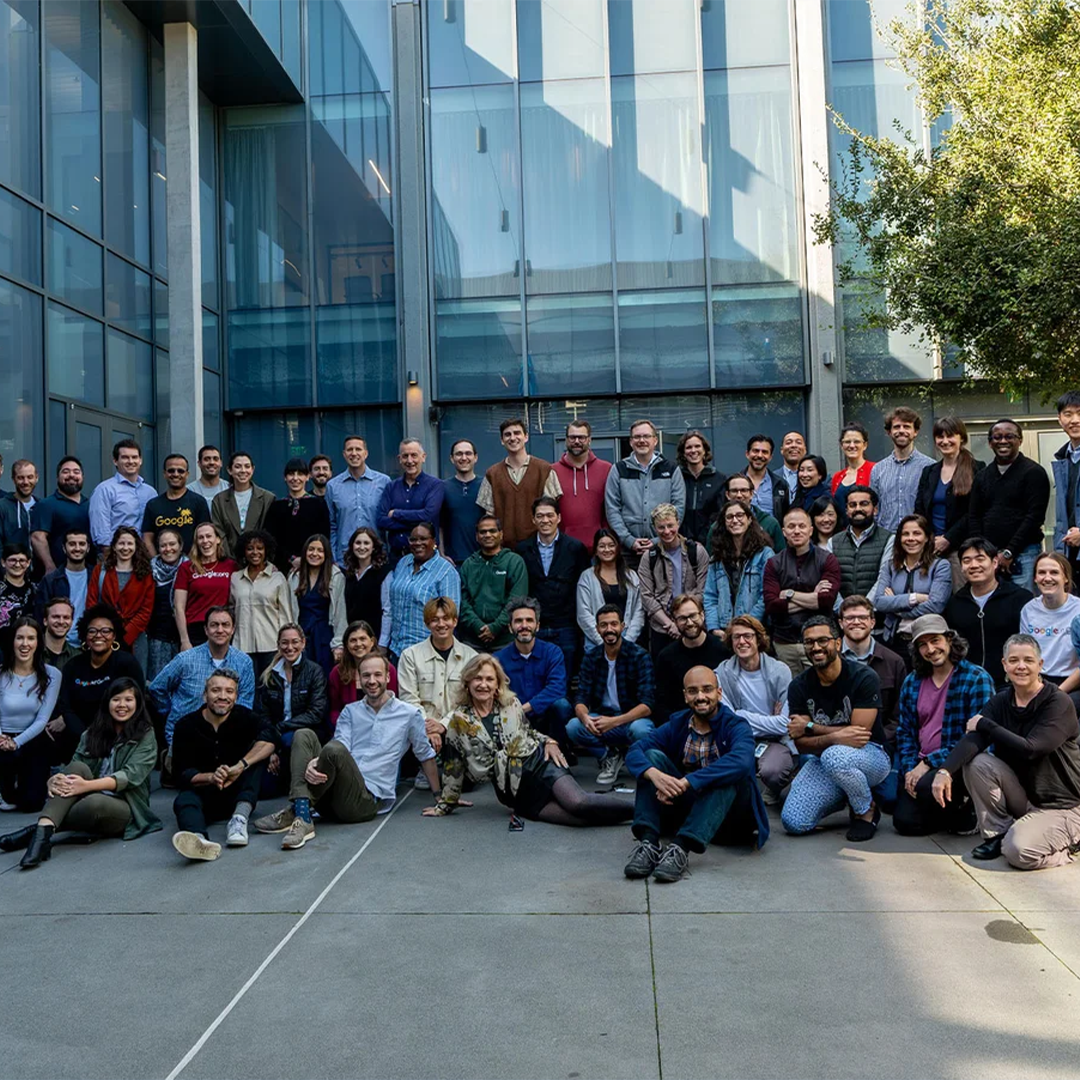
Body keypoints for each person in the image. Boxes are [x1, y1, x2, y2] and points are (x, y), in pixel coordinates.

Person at [424, 653, 633, 826]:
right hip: (515, 792)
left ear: (498, 684)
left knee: (579, 803)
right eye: (477, 678)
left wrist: (549, 741)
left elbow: (529, 732)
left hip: (539, 765)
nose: (483, 684)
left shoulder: (511, 704)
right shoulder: (459, 720)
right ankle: (637, 817)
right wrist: (446, 804)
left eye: (489, 679)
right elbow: (453, 764)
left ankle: (641, 812)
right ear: (467, 682)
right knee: (578, 821)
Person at [255, 653, 438, 848]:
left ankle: (298, 810)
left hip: (364, 801)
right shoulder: (350, 711)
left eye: (377, 675)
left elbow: (425, 754)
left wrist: (440, 797)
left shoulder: (409, 714)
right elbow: (340, 744)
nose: (372, 681)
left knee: (334, 749)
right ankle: (302, 814)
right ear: (359, 678)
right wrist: (314, 762)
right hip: (333, 795)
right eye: (366, 676)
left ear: (387, 677)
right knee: (303, 735)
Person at [931, 633, 1080, 869]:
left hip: (1062, 805)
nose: (1021, 666)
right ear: (1004, 664)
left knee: (1019, 853)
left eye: (1028, 660)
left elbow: (1032, 748)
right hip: (1024, 796)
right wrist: (944, 772)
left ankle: (1067, 846)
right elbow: (974, 738)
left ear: (1040, 665)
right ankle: (998, 834)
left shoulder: (1058, 703)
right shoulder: (1002, 701)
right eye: (1014, 660)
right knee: (977, 762)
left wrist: (986, 724)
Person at [623, 666, 769, 883]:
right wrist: (654, 775)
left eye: (707, 690)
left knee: (729, 775)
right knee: (651, 757)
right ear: (685, 696)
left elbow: (741, 761)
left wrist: (688, 781)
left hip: (730, 821)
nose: (700, 697)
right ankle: (649, 843)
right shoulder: (678, 723)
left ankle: (681, 848)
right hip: (690, 812)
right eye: (693, 691)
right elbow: (635, 750)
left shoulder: (736, 725)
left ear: (719, 693)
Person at [2, 678, 161, 870]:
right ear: (107, 702)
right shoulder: (92, 733)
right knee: (77, 768)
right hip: (84, 796)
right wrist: (53, 780)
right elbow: (74, 767)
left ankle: (37, 832)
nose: (122, 705)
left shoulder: (145, 735)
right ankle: (43, 833)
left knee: (95, 803)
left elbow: (130, 776)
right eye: (116, 699)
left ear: (137, 704)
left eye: (128, 700)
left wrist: (86, 786)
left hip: (127, 806)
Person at [780, 616, 888, 842]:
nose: (816, 647)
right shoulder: (799, 686)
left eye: (822, 640)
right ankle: (844, 791)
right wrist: (837, 735)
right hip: (823, 760)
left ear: (838, 644)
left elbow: (859, 736)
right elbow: (800, 743)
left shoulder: (863, 677)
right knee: (794, 822)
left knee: (834, 755)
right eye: (809, 642)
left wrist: (810, 726)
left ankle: (865, 810)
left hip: (872, 755)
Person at [893, 614, 995, 836]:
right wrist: (911, 767)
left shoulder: (976, 677)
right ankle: (953, 814)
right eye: (923, 645)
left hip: (958, 765)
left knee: (923, 791)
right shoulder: (913, 680)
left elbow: (977, 737)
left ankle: (966, 806)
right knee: (903, 822)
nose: (930, 649)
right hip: (920, 762)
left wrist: (930, 763)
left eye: (935, 640)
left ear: (949, 640)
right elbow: (905, 732)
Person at [170, 670, 275, 861]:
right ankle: (199, 841)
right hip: (205, 793)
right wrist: (211, 777)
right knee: (183, 800)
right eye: (216, 690)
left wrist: (240, 766)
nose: (222, 697)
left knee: (256, 758)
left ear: (236, 696)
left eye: (229, 691)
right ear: (205, 695)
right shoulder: (186, 725)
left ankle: (238, 820)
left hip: (238, 794)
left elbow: (270, 738)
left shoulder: (246, 717)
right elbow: (180, 773)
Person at [566, 605, 655, 786]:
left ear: (623, 626)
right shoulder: (591, 657)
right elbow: (581, 696)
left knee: (642, 730)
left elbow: (648, 704)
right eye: (604, 625)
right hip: (602, 718)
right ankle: (609, 756)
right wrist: (584, 717)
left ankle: (633, 759)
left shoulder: (639, 656)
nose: (609, 629)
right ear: (598, 629)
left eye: (614, 624)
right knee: (573, 726)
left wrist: (614, 722)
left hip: (630, 720)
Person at [149, 605, 255, 747]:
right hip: (183, 736)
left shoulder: (244, 662)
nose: (220, 630)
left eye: (225, 625)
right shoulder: (186, 659)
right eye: (214, 625)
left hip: (226, 737)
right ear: (206, 629)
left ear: (233, 629)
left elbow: (245, 704)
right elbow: (157, 688)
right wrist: (171, 711)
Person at [398, 596, 477, 786]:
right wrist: (427, 727)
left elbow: (470, 702)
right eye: (435, 619)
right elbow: (409, 699)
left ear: (455, 621)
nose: (441, 624)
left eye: (446, 618)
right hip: (422, 728)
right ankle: (426, 766)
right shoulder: (410, 656)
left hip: (457, 726)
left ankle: (459, 766)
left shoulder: (471, 657)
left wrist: (443, 725)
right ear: (427, 624)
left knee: (465, 784)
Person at [715, 616, 796, 801]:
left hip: (774, 741)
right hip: (738, 739)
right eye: (736, 637)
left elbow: (785, 724)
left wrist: (740, 715)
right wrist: (769, 719)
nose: (742, 642)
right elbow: (728, 720)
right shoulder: (722, 672)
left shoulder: (780, 670)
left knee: (773, 771)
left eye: (748, 636)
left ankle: (774, 788)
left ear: (758, 639)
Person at [967, 419, 1051, 595]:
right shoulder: (983, 476)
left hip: (1024, 554)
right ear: (990, 443)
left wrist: (1009, 552)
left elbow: (1034, 517)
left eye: (1009, 436)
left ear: (1019, 440)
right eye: (997, 437)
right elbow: (974, 516)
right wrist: (983, 552)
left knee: (1024, 602)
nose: (1003, 441)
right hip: (990, 556)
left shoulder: (1033, 472)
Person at [55, 605, 144, 763]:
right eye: (92, 631)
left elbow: (137, 703)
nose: (98, 635)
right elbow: (66, 707)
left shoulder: (126, 663)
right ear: (85, 635)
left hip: (117, 738)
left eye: (105, 631)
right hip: (79, 739)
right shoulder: (72, 666)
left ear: (114, 635)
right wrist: (86, 736)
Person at [762, 506, 842, 675]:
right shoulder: (774, 563)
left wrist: (788, 595)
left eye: (802, 526)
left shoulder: (827, 559)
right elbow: (772, 605)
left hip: (819, 641)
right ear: (784, 532)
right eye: (791, 527)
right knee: (791, 695)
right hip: (785, 642)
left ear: (811, 530)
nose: (797, 531)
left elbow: (827, 601)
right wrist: (813, 597)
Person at [515, 496, 590, 673]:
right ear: (533, 519)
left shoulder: (575, 548)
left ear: (559, 517)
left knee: (565, 678)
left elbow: (583, 587)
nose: (545, 520)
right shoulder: (523, 549)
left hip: (566, 625)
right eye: (540, 516)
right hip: (536, 625)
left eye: (550, 515)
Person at [945, 537, 1032, 688]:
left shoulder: (1020, 598)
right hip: (968, 684)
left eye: (980, 559)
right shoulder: (954, 604)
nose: (974, 565)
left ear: (994, 563)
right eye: (967, 561)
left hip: (1011, 684)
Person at [494, 598, 575, 751]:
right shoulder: (498, 659)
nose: (524, 626)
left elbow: (557, 689)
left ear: (537, 626)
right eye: (518, 621)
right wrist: (514, 712)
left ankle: (559, 750)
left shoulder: (552, 652)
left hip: (545, 717)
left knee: (562, 705)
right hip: (512, 720)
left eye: (529, 620)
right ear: (510, 627)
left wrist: (524, 709)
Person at [255, 623, 330, 788]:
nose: (290, 647)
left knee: (291, 739)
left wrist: (281, 728)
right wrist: (270, 748)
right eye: (285, 642)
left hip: (304, 732)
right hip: (276, 735)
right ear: (278, 645)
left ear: (303, 643)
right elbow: (263, 714)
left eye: (295, 642)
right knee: (265, 789)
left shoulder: (314, 671)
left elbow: (315, 713)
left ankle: (299, 787)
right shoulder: (270, 675)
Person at [0, 617, 60, 812]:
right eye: (20, 638)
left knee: (32, 803)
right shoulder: (1, 674)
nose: (25, 644)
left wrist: (16, 742)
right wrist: (2, 739)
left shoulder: (52, 675)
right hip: (2, 736)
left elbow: (43, 719)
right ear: (12, 641)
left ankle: (24, 784)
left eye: (31, 638)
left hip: (32, 738)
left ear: (38, 642)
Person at [476, 418, 562, 550]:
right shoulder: (492, 474)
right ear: (501, 440)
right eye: (507, 434)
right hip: (504, 550)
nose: (512, 438)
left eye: (517, 433)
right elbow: (489, 516)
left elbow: (550, 512)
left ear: (526, 437)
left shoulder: (544, 470)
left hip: (539, 549)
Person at [873, 514, 952, 657]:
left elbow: (936, 605)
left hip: (927, 643)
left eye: (917, 533)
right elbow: (878, 602)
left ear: (927, 537)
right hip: (893, 640)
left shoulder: (940, 566)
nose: (911, 538)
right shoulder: (890, 566)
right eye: (905, 534)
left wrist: (896, 608)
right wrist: (914, 598)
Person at [605, 419, 685, 556]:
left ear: (655, 440)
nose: (641, 440)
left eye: (646, 436)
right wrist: (628, 540)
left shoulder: (671, 469)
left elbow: (679, 507)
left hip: (665, 547)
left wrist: (657, 540)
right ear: (631, 442)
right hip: (628, 550)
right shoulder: (619, 469)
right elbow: (612, 508)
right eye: (637, 437)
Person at [838, 595, 908, 751]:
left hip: (879, 745)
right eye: (850, 618)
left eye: (862, 617)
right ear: (841, 623)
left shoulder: (894, 662)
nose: (856, 622)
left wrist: (879, 738)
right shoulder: (829, 660)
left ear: (872, 622)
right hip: (835, 741)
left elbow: (901, 714)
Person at [914, 416, 983, 570]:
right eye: (940, 436)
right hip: (931, 548)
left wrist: (948, 539)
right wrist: (929, 540)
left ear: (962, 438)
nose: (945, 441)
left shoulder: (976, 469)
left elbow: (974, 511)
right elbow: (919, 508)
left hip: (961, 548)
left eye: (950, 435)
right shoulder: (929, 471)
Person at [639, 503, 708, 657]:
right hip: (662, 628)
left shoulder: (696, 551)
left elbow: (703, 590)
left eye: (670, 525)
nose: (667, 531)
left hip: (693, 625)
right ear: (654, 529)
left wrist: (684, 619)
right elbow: (646, 595)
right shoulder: (649, 557)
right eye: (661, 527)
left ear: (678, 522)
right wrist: (670, 624)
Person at [386, 522, 461, 659]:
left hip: (426, 653)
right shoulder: (403, 563)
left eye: (423, 539)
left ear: (434, 541)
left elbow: (450, 616)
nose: (417, 543)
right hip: (397, 650)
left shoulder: (446, 572)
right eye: (413, 539)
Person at [86, 526, 155, 667]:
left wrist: (124, 637)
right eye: (121, 543)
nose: (125, 548)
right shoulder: (100, 570)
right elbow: (92, 603)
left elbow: (145, 610)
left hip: (135, 638)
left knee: (134, 681)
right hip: (104, 636)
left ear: (136, 547)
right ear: (114, 546)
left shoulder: (145, 573)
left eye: (130, 543)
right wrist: (106, 632)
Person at [654, 595, 731, 720]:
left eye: (693, 616)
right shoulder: (666, 657)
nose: (689, 623)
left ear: (702, 615)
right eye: (682, 618)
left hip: (719, 720)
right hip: (680, 723)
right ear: (674, 621)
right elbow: (662, 702)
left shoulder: (723, 650)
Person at [458, 514, 528, 650]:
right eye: (482, 532)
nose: (487, 535)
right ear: (477, 537)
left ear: (501, 534)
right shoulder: (468, 564)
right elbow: (463, 601)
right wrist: (478, 626)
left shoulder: (514, 562)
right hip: (472, 642)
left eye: (492, 531)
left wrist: (494, 628)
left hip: (505, 642)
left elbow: (516, 600)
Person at [703, 499, 772, 635]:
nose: (735, 520)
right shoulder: (717, 558)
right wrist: (714, 627)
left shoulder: (764, 554)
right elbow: (710, 595)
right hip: (724, 630)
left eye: (740, 515)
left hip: (755, 629)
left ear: (749, 519)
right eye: (729, 517)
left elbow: (765, 595)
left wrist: (746, 625)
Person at [1019, 553, 1080, 705]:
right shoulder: (1029, 610)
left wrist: (1057, 693)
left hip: (1072, 683)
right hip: (1039, 680)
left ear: (1066, 578)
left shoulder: (1078, 610)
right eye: (1041, 573)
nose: (1047, 578)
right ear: (1035, 578)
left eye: (1054, 572)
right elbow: (1026, 654)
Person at [229, 530, 292, 677]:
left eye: (260, 548)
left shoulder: (278, 578)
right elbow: (231, 610)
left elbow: (285, 614)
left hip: (271, 644)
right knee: (245, 689)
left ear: (266, 550)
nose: (255, 552)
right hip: (242, 644)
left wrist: (286, 643)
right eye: (250, 548)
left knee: (270, 690)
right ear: (244, 552)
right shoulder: (235, 578)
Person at [377, 439, 445, 565]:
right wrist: (418, 524)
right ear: (399, 459)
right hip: (396, 558)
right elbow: (381, 521)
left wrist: (396, 514)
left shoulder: (435, 485)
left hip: (426, 560)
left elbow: (428, 516)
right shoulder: (391, 487)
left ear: (423, 457)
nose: (409, 461)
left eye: (414, 455)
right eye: (405, 456)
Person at [869, 407, 935, 533]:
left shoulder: (930, 467)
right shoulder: (878, 469)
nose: (901, 430)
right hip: (886, 539)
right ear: (889, 432)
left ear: (915, 432)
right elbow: (874, 508)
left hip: (918, 539)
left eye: (906, 426)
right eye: (897, 427)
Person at [327, 435, 391, 566]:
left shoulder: (384, 482)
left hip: (377, 557)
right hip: (345, 558)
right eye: (350, 450)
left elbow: (388, 523)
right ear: (344, 454)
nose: (354, 453)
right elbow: (332, 525)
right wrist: (333, 557)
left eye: (358, 449)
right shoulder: (333, 486)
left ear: (366, 453)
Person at [287, 533, 346, 674]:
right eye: (311, 549)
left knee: (323, 678)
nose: (315, 554)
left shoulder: (336, 576)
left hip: (325, 636)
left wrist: (338, 644)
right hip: (301, 635)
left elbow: (340, 612)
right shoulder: (295, 576)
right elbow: (289, 609)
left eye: (320, 550)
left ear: (326, 554)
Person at [577, 528, 644, 649]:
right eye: (602, 546)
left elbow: (638, 612)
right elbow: (583, 614)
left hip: (628, 641)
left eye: (611, 545)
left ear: (618, 548)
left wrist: (626, 642)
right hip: (596, 642)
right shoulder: (587, 577)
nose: (607, 550)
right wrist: (605, 643)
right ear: (596, 550)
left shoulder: (631, 576)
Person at [174, 522, 237, 649]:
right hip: (195, 630)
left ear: (218, 539)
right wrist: (184, 640)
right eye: (200, 537)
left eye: (209, 536)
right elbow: (178, 607)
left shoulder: (231, 566)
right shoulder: (186, 568)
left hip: (222, 629)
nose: (205, 541)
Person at [88, 439, 157, 553]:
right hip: (115, 555)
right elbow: (101, 533)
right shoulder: (104, 490)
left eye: (134, 457)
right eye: (125, 457)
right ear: (115, 461)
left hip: (144, 557)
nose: (131, 461)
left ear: (140, 460)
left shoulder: (151, 492)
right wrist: (113, 559)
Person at [264, 458, 332, 573]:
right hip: (282, 568)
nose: (295, 478)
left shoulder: (318, 504)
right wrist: (291, 559)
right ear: (285, 478)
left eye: (300, 474)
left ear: (307, 477)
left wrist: (305, 559)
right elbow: (270, 539)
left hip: (313, 565)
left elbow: (323, 536)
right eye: (291, 474)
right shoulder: (276, 506)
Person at [553, 421, 612, 549]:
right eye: (572, 437)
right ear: (566, 440)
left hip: (599, 547)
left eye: (582, 437)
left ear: (589, 440)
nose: (577, 441)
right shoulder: (552, 471)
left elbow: (612, 508)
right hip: (563, 547)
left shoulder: (606, 469)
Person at [329, 620, 399, 727]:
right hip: (349, 728)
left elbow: (393, 706)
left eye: (362, 639)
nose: (358, 644)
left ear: (372, 642)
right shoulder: (337, 672)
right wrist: (343, 726)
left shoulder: (388, 669)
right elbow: (334, 710)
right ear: (346, 645)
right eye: (353, 640)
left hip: (382, 728)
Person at [832, 486, 893, 604]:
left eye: (864, 504)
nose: (858, 509)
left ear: (875, 509)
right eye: (852, 505)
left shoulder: (889, 539)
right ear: (846, 510)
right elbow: (832, 580)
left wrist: (865, 608)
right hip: (842, 615)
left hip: (876, 614)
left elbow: (884, 579)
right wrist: (843, 608)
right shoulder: (834, 541)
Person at [140, 454, 210, 556]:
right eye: (171, 470)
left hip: (192, 566)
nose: (176, 474)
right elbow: (147, 538)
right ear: (164, 474)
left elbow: (204, 535)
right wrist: (156, 562)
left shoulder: (199, 502)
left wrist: (190, 563)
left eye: (180, 471)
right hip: (160, 568)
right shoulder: (153, 505)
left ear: (187, 474)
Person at [30, 458, 91, 575]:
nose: (71, 475)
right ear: (57, 477)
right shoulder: (46, 505)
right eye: (66, 471)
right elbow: (38, 538)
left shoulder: (90, 505)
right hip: (58, 575)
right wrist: (50, 567)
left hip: (87, 575)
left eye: (76, 472)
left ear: (82, 477)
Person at [211, 452, 275, 559]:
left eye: (247, 466)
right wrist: (230, 558)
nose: (243, 471)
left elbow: (269, 532)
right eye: (237, 467)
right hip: (228, 560)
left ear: (252, 469)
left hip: (259, 560)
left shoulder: (267, 498)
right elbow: (219, 533)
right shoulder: (219, 500)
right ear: (229, 470)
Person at [145, 528, 187, 681]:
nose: (168, 549)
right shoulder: (148, 570)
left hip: (185, 638)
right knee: (158, 685)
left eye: (172, 544)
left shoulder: (191, 569)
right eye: (163, 545)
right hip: (157, 638)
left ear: (181, 546)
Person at [33, 528, 90, 631]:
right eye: (72, 544)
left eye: (82, 544)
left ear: (88, 548)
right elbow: (41, 616)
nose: (77, 548)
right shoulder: (50, 581)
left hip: (91, 640)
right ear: (64, 548)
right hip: (59, 640)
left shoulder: (97, 576)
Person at [342, 526, 391, 640]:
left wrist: (383, 642)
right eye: (358, 543)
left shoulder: (384, 573)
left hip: (374, 637)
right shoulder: (348, 574)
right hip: (352, 637)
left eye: (366, 543)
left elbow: (387, 611)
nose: (362, 547)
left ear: (373, 547)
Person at [677, 430, 726, 544]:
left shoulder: (718, 479)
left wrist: (705, 536)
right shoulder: (677, 477)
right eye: (689, 447)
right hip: (681, 540)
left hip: (710, 540)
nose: (693, 450)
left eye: (697, 446)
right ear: (683, 452)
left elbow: (719, 512)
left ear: (704, 450)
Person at [440, 438, 483, 566]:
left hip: (482, 560)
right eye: (459, 454)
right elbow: (440, 524)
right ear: (452, 458)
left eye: (468, 453)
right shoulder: (442, 487)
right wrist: (442, 554)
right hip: (452, 562)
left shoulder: (486, 485)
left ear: (475, 457)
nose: (464, 458)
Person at [1052, 390, 1080, 588]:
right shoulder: (1062, 459)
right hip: (1070, 556)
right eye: (1068, 414)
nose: (1074, 420)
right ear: (1060, 419)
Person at [721, 473, 784, 552]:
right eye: (734, 491)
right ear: (727, 495)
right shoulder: (718, 526)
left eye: (744, 490)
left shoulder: (770, 523)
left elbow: (781, 558)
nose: (739, 495)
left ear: (751, 494)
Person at [743, 434, 790, 524]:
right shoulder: (735, 483)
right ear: (747, 454)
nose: (760, 455)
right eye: (756, 451)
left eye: (764, 452)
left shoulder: (780, 484)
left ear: (770, 457)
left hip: (771, 536)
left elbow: (785, 517)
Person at [830, 421, 875, 508]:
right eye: (847, 442)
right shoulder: (837, 477)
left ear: (865, 445)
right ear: (841, 446)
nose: (852, 445)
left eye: (857, 442)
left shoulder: (875, 469)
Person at [0, 459, 38, 556]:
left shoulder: (43, 507)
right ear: (13, 479)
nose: (25, 482)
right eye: (20, 478)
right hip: (10, 569)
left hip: (40, 570)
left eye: (30, 477)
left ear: (36, 478)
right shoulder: (3, 506)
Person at [0, 543, 34, 628]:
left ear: (28, 563)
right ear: (3, 562)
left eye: (22, 560)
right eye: (12, 560)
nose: (17, 565)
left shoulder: (35, 590)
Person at [41, 597, 79, 669]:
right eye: (56, 617)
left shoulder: (76, 657)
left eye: (66, 617)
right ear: (45, 621)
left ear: (71, 622)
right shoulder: (32, 651)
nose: (61, 622)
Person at [192, 445, 229, 509]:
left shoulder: (229, 488)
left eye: (215, 459)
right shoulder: (190, 490)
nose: (212, 462)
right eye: (207, 459)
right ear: (199, 463)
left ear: (221, 463)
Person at [777, 431, 808, 500]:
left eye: (798, 442)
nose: (794, 445)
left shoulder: (816, 478)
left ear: (805, 450)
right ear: (782, 450)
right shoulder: (771, 478)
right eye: (788, 442)